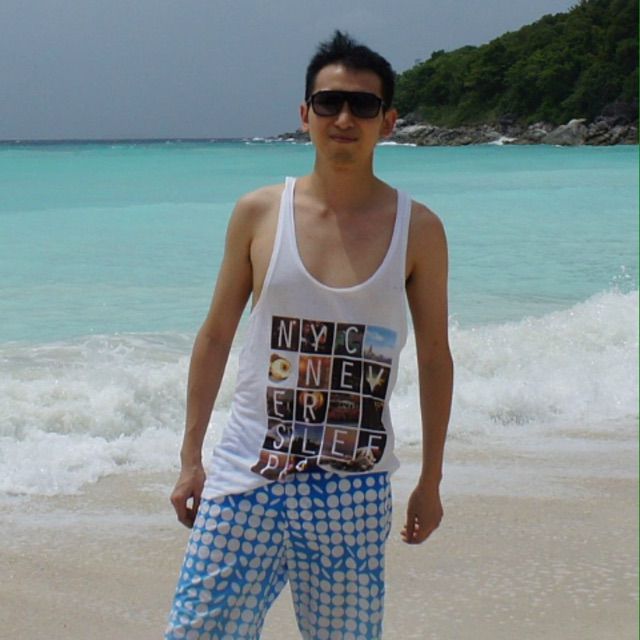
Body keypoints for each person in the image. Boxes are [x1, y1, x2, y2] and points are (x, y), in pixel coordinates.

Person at [165, 30, 453, 640]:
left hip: (354, 489)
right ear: (305, 114)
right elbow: (216, 337)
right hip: (247, 477)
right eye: (329, 103)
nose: (344, 118)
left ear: (389, 121)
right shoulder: (259, 213)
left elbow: (435, 358)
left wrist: (430, 481)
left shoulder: (419, 229)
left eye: (363, 105)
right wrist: (191, 459)